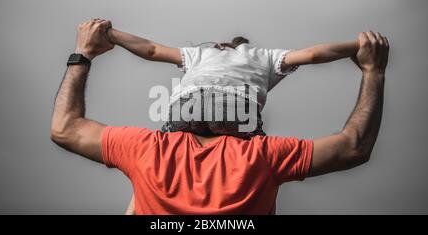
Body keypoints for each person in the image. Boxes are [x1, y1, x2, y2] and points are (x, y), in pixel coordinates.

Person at [50, 18, 389, 214]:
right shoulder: (265, 62)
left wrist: (102, 39)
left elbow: (150, 49)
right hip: (238, 121)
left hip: (185, 118)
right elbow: (352, 145)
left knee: (142, 184)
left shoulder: (197, 57)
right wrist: (366, 60)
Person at [106, 28, 359, 139]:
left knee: (158, 152)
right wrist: (359, 46)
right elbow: (313, 54)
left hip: (188, 105)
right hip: (237, 108)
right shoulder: (267, 55)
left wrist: (111, 34)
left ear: (222, 47)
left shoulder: (202, 53)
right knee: (260, 157)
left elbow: (151, 50)